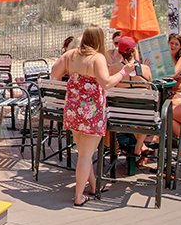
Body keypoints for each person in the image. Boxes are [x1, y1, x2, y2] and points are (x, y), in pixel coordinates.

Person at [51, 25, 132, 206]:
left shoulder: (71, 54)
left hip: (73, 109)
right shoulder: (98, 58)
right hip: (91, 112)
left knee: (83, 153)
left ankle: (94, 186)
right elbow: (106, 83)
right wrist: (124, 71)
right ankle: (79, 196)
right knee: (86, 156)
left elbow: (54, 72)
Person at [107, 36, 154, 159]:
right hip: (144, 115)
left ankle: (140, 145)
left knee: (130, 110)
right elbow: (150, 94)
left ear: (120, 52)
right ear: (134, 51)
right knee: (140, 109)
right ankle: (140, 145)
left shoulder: (113, 69)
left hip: (121, 114)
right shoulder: (146, 69)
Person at [167, 33, 181, 99]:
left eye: (176, 44)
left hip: (178, 92)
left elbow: (173, 74)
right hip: (164, 91)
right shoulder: (166, 57)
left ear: (180, 46)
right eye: (171, 43)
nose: (173, 46)